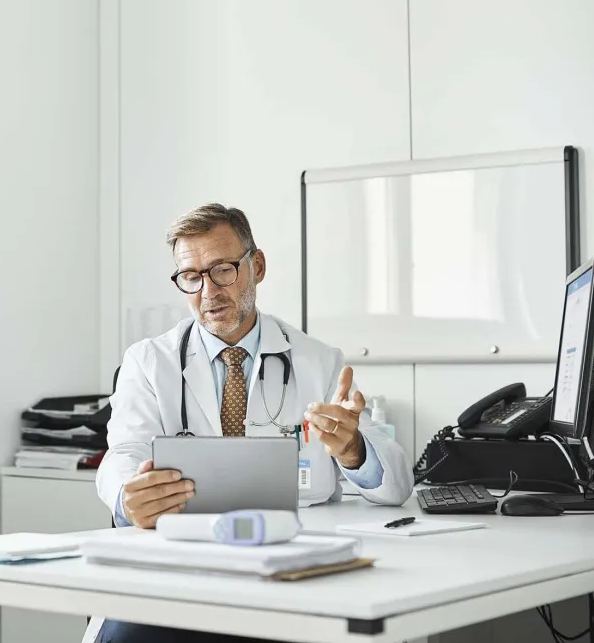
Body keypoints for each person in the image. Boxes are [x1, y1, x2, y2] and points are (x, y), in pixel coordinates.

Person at [93, 204, 413, 643]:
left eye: (222, 270)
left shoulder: (318, 361)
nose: (208, 291)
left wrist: (353, 449)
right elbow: (124, 454)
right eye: (191, 276)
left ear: (256, 266)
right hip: (183, 560)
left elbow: (396, 486)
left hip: (289, 562)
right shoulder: (149, 362)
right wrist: (128, 498)